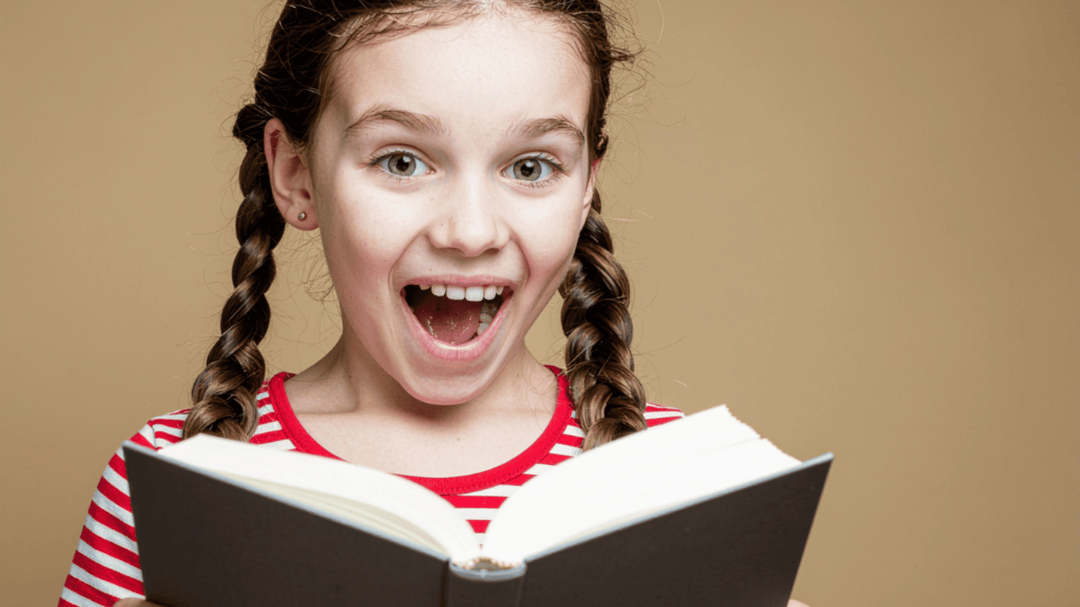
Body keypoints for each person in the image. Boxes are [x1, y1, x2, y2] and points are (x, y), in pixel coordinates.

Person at [58, 2, 812, 606]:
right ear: (295, 174)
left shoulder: (685, 489)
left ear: (586, 184)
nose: (470, 231)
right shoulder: (165, 486)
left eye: (530, 165)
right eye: (402, 160)